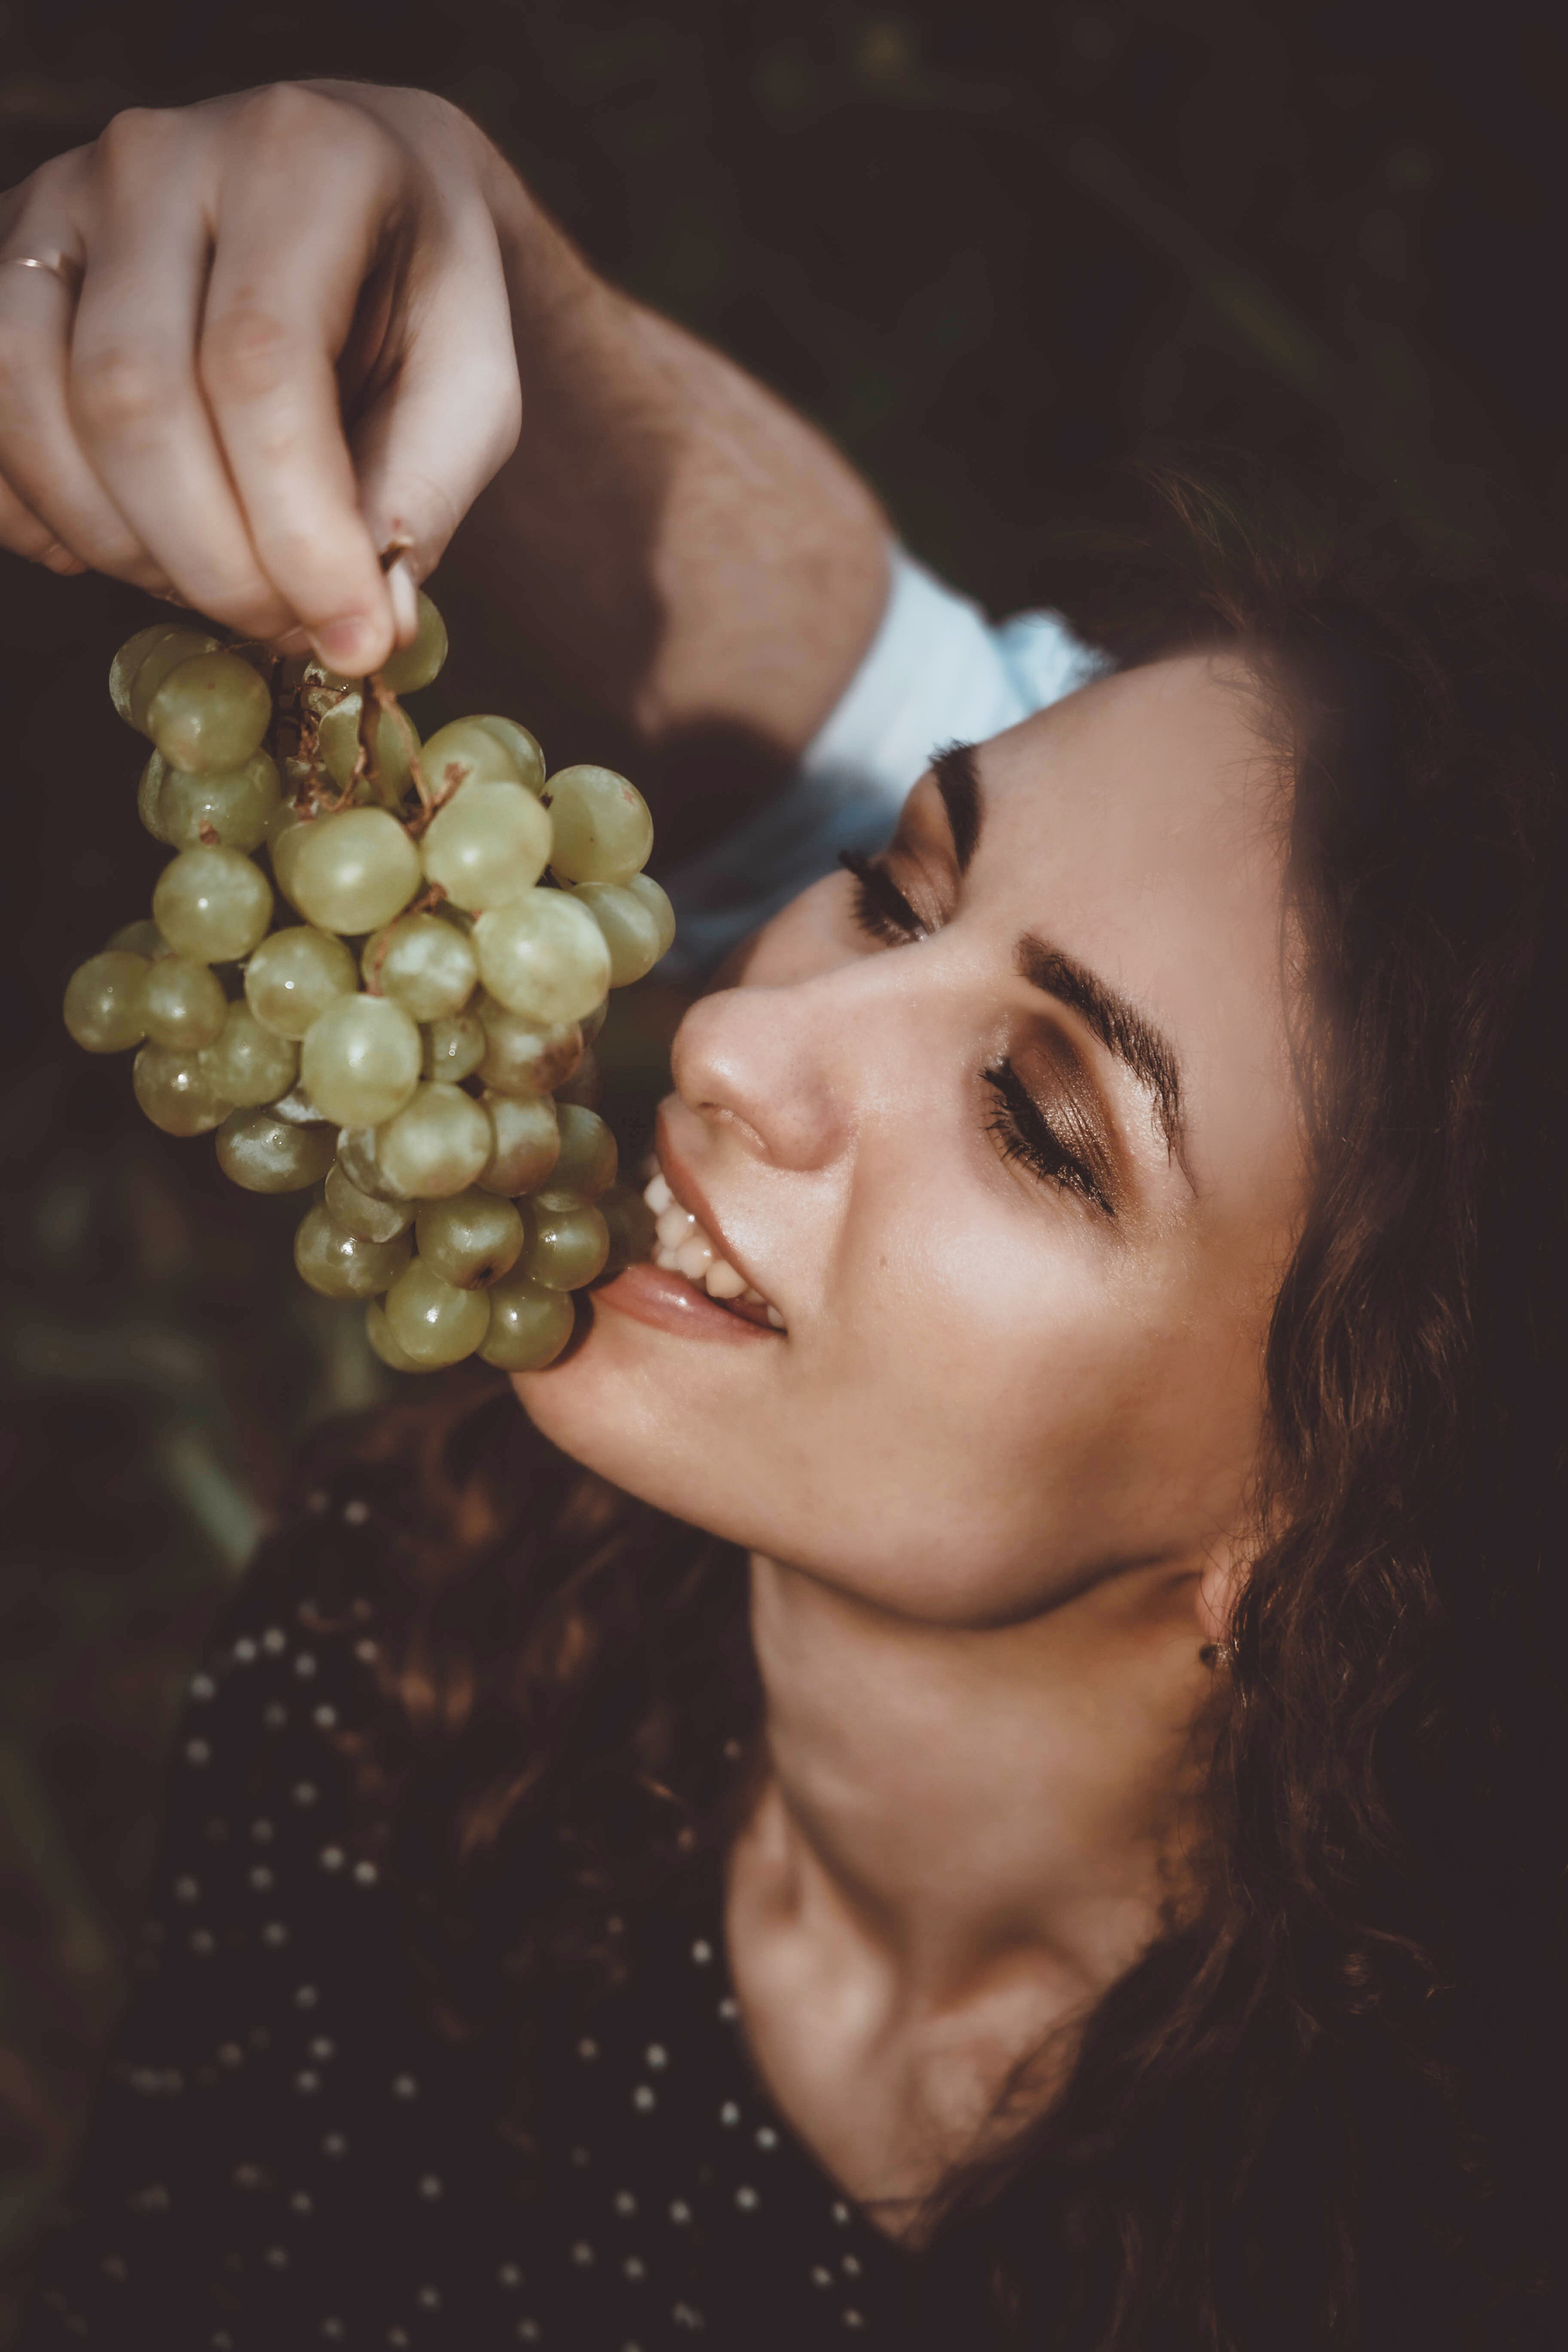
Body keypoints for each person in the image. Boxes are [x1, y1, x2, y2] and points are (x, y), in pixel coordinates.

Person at [2, 81, 1566, 2352]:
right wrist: (439, 226)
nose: (737, 1038)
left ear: (1335, 1510)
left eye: (1039, 1124)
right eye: (895, 885)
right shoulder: (381, 1652)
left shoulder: (1401, 2264)